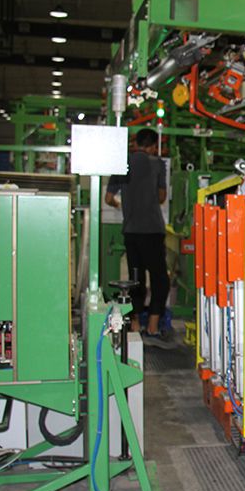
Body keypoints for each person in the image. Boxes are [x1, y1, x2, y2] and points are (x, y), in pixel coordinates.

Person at [105, 128, 173, 348]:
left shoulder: (122, 163)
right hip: (152, 230)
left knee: (136, 279)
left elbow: (108, 198)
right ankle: (152, 328)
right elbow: (161, 197)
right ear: (152, 146)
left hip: (131, 231)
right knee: (160, 279)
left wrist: (122, 206)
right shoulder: (157, 164)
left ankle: (134, 325)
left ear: (136, 144)